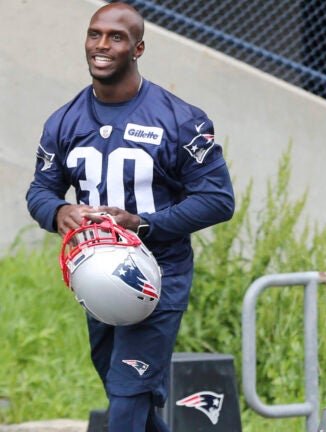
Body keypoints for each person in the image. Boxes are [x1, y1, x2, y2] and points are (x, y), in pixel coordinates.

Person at [26, 3, 235, 431]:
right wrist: (60, 210)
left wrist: (141, 224)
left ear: (138, 47)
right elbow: (39, 190)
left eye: (116, 37)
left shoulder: (181, 120)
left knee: (125, 401)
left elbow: (218, 199)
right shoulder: (64, 121)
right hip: (94, 276)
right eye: (94, 34)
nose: (102, 45)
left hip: (156, 276)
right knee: (129, 397)